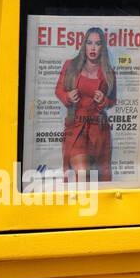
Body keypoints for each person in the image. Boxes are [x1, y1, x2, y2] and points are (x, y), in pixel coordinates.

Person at [54, 27, 117, 182]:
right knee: (81, 174)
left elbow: (112, 101)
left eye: (97, 43)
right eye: (89, 43)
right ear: (84, 45)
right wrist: (67, 96)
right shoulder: (71, 65)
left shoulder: (108, 72)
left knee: (97, 179)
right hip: (76, 125)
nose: (93, 47)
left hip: (99, 129)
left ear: (102, 47)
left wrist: (104, 101)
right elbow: (58, 90)